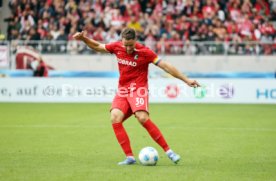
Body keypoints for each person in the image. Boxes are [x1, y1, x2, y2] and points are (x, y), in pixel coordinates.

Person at [73, 28, 200, 165]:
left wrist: (186, 80)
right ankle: (129, 157)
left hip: (138, 89)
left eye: (131, 46)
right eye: (125, 45)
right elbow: (98, 46)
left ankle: (169, 152)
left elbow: (165, 66)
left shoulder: (145, 52)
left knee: (142, 117)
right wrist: (84, 39)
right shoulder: (117, 47)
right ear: (121, 40)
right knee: (115, 117)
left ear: (135, 41)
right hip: (123, 90)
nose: (128, 49)